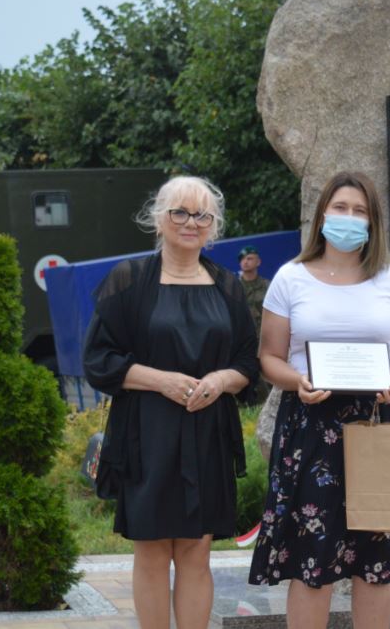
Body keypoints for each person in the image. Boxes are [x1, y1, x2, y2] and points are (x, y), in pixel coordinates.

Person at [248, 171, 390, 629]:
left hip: (377, 422)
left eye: (360, 211)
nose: (349, 217)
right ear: (323, 214)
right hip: (310, 425)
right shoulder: (290, 278)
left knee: (375, 563)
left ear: (373, 221)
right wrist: (297, 380)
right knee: (311, 562)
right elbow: (269, 358)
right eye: (341, 207)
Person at [83, 176, 259, 629]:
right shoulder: (129, 279)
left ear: (213, 226)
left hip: (208, 430)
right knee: (153, 549)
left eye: (202, 215)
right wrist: (160, 381)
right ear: (158, 219)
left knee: (197, 550)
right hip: (147, 431)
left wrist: (220, 380)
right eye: (179, 212)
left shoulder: (227, 285)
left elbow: (248, 361)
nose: (190, 222)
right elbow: (99, 359)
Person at [238, 244, 271, 405]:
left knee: (268, 367)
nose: (245, 262)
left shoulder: (267, 286)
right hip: (243, 336)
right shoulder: (234, 287)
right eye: (242, 259)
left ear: (258, 262)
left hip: (265, 335)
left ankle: (268, 400)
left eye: (250, 258)